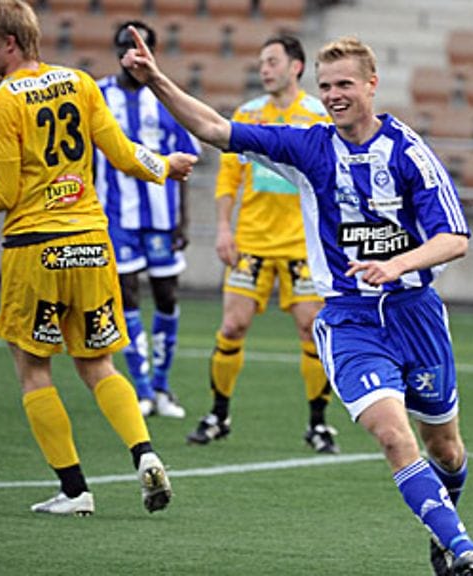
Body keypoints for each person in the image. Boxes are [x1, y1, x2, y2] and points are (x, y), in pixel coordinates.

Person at [121, 28, 473, 576]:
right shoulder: (308, 145)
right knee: (394, 436)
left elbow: (455, 238)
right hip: (350, 319)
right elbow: (212, 128)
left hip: (417, 315)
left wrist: (396, 264)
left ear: (372, 84)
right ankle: (464, 553)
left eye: (346, 83)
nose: (336, 93)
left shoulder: (409, 151)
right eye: (327, 85)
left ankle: (444, 530)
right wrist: (155, 79)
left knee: (446, 450)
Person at [0, 0, 196, 516]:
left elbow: (1, 191)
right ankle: (145, 453)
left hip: (36, 250)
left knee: (33, 368)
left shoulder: (1, 102)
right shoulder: (81, 82)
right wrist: (165, 167)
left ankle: (74, 490)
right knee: (98, 362)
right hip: (91, 243)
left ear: (9, 42)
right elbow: (124, 152)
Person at [186, 34, 337, 454]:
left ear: (296, 67)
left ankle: (318, 424)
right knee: (232, 326)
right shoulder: (248, 114)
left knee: (312, 332)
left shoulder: (317, 115)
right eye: (261, 62)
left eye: (272, 61)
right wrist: (222, 228)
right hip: (250, 242)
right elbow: (228, 177)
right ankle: (218, 414)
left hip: (301, 246)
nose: (264, 69)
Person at [95, 20, 200, 419]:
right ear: (116, 49)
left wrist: (183, 221)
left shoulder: (166, 99)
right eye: (125, 46)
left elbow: (185, 164)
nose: (132, 54)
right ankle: (142, 387)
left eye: (140, 47)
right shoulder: (99, 96)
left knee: (167, 296)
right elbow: (88, 162)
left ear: (151, 52)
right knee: (126, 297)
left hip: (161, 216)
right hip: (115, 216)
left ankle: (162, 386)